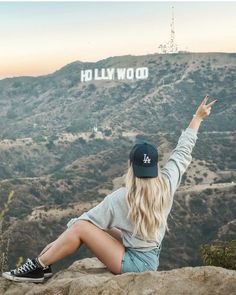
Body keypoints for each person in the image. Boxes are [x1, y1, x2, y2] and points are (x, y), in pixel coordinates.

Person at [2, 95, 217, 283]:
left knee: (81, 227)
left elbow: (80, 225)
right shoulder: (167, 183)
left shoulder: (121, 197)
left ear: (131, 167)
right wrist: (197, 118)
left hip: (134, 263)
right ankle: (43, 265)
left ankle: (38, 266)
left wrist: (57, 243)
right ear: (155, 166)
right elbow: (183, 152)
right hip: (150, 256)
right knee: (94, 226)